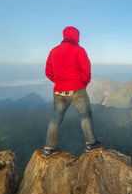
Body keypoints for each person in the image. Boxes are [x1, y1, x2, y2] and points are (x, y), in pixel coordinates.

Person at [42, 26, 102, 158]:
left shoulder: (53, 51)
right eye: (78, 36)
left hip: (58, 92)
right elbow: (86, 70)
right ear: (75, 36)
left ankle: (48, 148)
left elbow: (48, 72)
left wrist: (59, 82)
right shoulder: (79, 50)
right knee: (85, 115)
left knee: (56, 119)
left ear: (64, 36)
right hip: (77, 90)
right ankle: (90, 143)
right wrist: (82, 84)